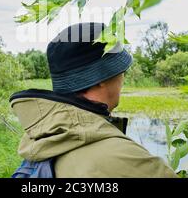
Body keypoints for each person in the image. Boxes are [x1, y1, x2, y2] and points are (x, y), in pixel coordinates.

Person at [10, 22, 177, 178]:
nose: (123, 78)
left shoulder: (42, 138)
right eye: (121, 70)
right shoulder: (123, 157)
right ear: (102, 77)